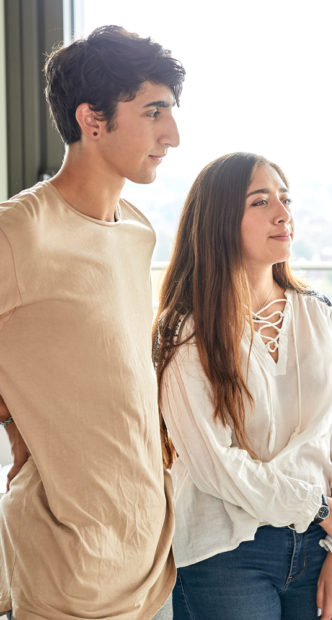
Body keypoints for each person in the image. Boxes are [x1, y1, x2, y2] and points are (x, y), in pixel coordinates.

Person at [0, 25, 185, 619]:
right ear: (92, 119)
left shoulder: (137, 231)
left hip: (151, 556)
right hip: (66, 565)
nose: (172, 135)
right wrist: (18, 426)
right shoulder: (20, 230)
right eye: (154, 111)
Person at [154, 152, 332, 620]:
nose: (283, 213)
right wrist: (318, 507)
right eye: (261, 201)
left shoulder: (318, 314)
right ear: (219, 220)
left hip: (321, 543)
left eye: (285, 199)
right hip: (225, 550)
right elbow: (214, 466)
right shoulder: (183, 329)